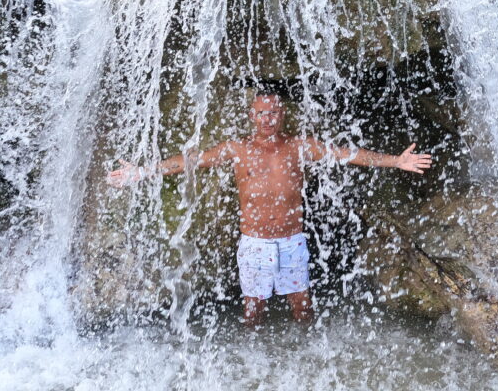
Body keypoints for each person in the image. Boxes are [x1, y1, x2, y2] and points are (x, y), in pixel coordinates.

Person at [107, 90, 432, 325]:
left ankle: (305, 362)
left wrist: (396, 161)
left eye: (273, 113)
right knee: (253, 311)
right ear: (252, 116)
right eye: (261, 113)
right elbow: (190, 162)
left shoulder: (299, 146)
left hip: (292, 242)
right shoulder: (237, 149)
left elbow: (347, 154)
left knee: (303, 308)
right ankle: (255, 364)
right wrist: (142, 171)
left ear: (282, 115)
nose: (267, 119)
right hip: (255, 244)